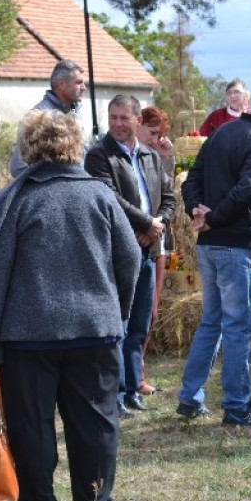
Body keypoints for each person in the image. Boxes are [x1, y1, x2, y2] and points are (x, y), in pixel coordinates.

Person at [0, 110, 140, 501]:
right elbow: (131, 258)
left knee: (31, 425)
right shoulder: (100, 195)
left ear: (27, 149)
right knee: (97, 421)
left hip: (29, 338)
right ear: (74, 145)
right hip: (95, 331)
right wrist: (115, 311)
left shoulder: (16, 201)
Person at [177, 79, 251, 426]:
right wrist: (210, 217)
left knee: (211, 322)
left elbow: (191, 181)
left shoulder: (222, 133)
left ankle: (189, 398)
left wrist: (198, 214)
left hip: (212, 245)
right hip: (234, 244)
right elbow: (247, 189)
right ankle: (237, 407)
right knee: (238, 327)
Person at [85, 94, 175, 417]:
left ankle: (133, 387)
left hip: (147, 251)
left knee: (139, 324)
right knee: (118, 325)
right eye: (113, 117)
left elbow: (169, 197)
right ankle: (116, 395)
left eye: (125, 118)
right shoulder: (99, 156)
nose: (118, 124)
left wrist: (158, 226)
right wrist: (145, 223)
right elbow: (108, 197)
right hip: (117, 253)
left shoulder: (150, 157)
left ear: (138, 120)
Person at [137, 105, 175, 394]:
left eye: (159, 135)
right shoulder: (131, 157)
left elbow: (167, 195)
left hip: (158, 240)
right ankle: (133, 376)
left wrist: (166, 161)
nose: (154, 140)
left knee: (152, 310)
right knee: (137, 311)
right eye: (151, 133)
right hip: (138, 239)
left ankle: (139, 372)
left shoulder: (155, 156)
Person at [9, 59, 87, 177]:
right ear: (62, 84)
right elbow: (18, 167)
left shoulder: (77, 114)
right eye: (79, 82)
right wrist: (48, 187)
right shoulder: (39, 118)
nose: (84, 88)